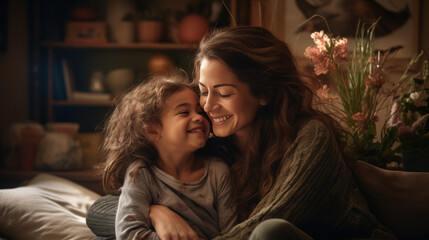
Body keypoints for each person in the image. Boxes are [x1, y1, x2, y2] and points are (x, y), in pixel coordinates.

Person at [87, 26, 396, 240]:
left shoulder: (310, 140)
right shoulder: (216, 146)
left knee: (270, 232)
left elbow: (260, 227)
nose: (207, 106)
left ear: (263, 93)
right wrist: (156, 213)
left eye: (223, 92)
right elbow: (100, 210)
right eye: (203, 91)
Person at [90, 72, 237, 240]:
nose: (198, 117)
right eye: (184, 112)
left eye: (199, 111)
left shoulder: (218, 171)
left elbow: (232, 233)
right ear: (152, 130)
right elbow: (129, 233)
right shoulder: (140, 172)